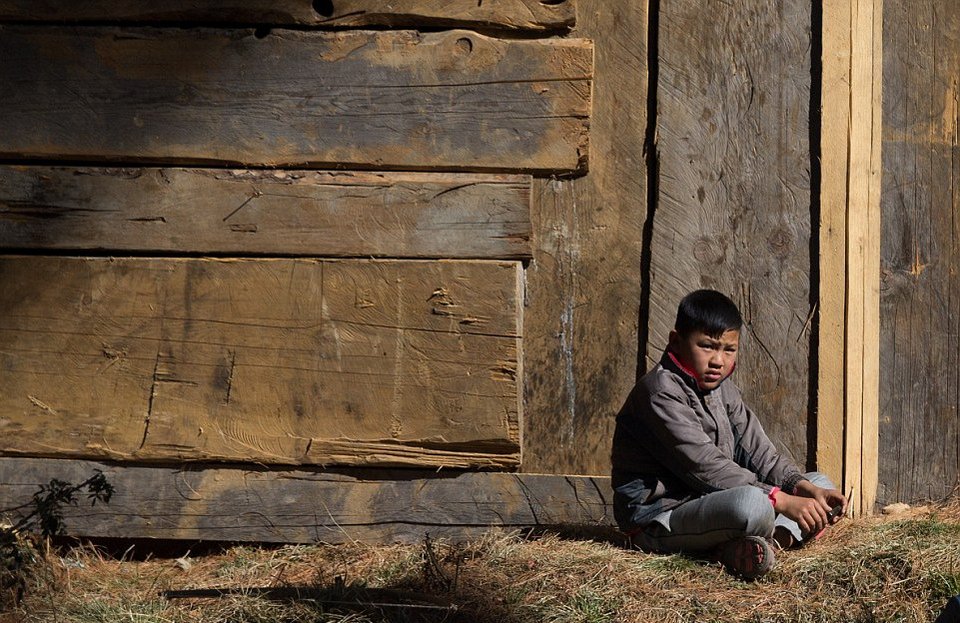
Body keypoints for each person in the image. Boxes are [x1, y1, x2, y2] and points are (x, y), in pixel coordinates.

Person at [611, 289, 847, 579]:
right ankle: (773, 538)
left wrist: (802, 488)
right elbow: (706, 467)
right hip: (661, 517)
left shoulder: (724, 389)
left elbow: (761, 454)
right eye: (707, 346)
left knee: (819, 482)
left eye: (728, 349)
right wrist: (783, 501)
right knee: (752, 505)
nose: (718, 361)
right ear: (676, 341)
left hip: (713, 503)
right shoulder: (659, 392)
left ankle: (762, 546)